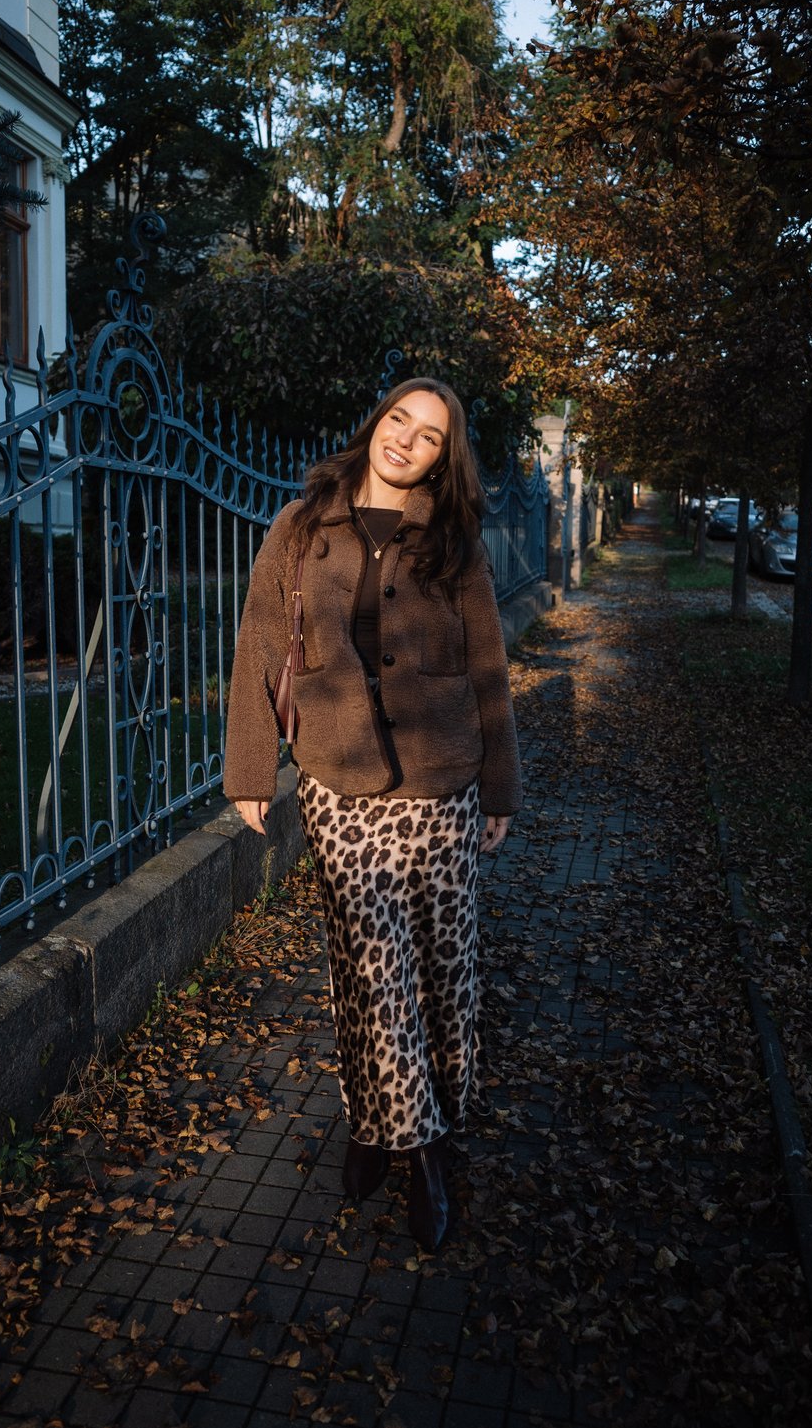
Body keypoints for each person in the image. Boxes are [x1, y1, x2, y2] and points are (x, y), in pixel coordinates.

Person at [222, 378, 522, 1251]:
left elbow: (489, 662)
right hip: (340, 782)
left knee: (443, 967)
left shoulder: (454, 541)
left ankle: (373, 1121)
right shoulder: (301, 524)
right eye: (399, 420)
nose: (406, 441)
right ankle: (421, 1151)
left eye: (429, 436)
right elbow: (258, 640)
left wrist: (500, 786)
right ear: (376, 423)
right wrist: (250, 768)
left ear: (441, 457)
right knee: (373, 967)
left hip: (443, 784)